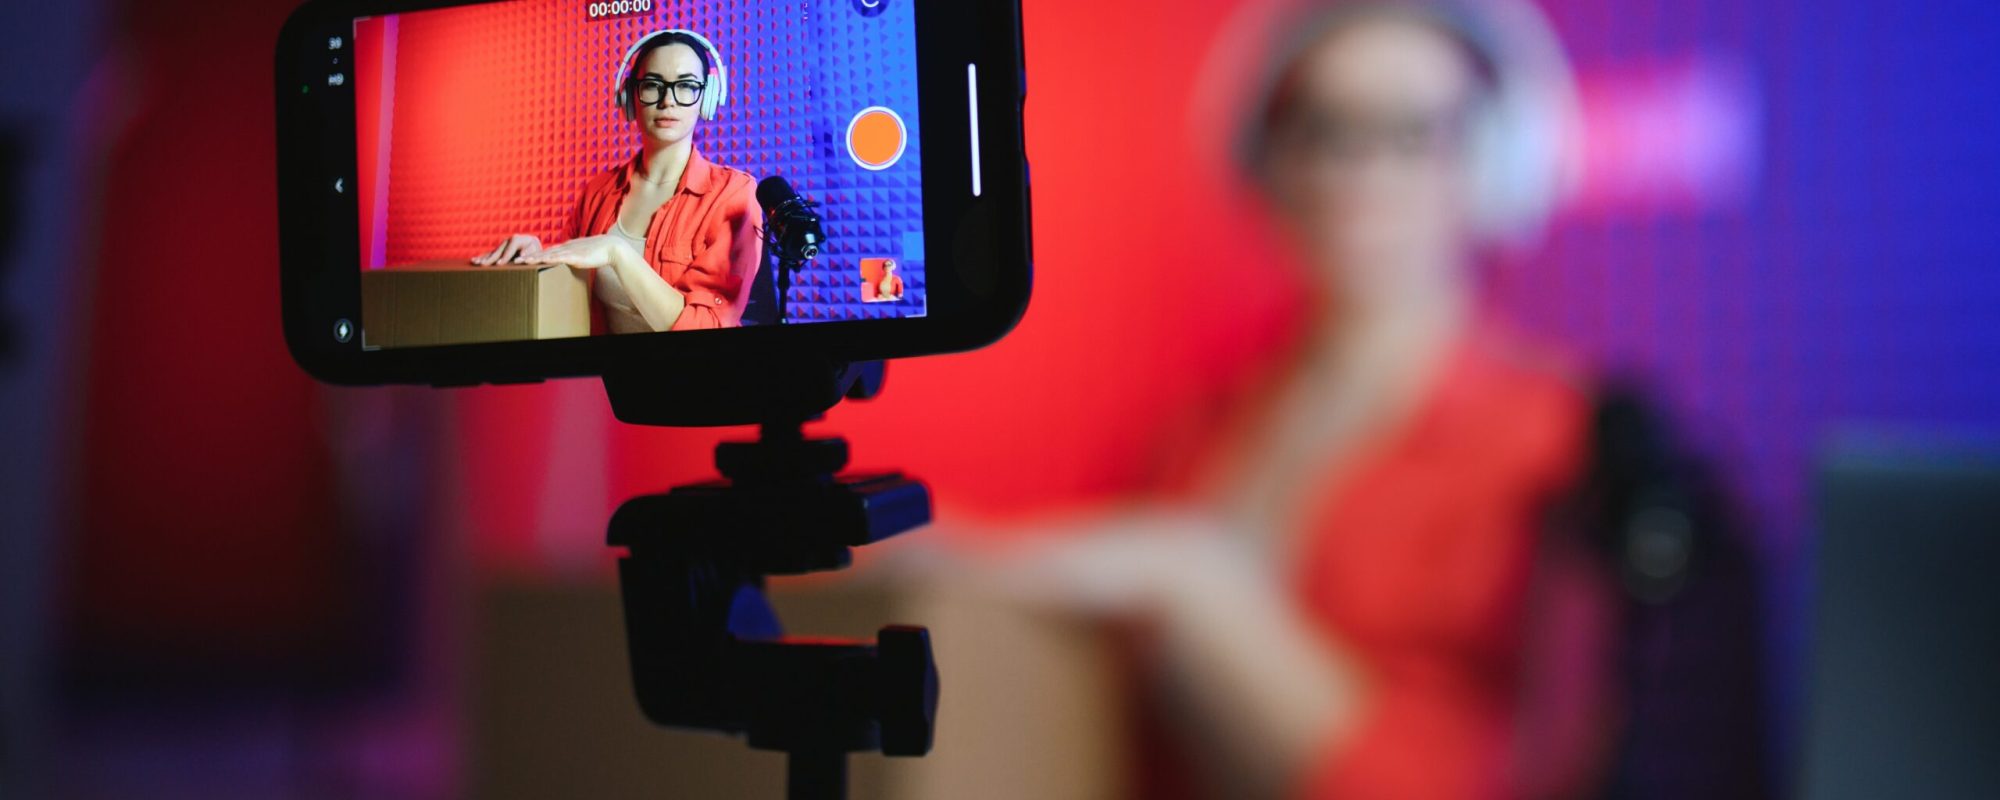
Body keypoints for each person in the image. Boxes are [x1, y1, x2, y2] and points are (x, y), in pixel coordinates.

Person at [948, 2, 1618, 798]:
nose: (1361, 171)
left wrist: (1193, 584)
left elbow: (1539, 765)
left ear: (1494, 160)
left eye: (1413, 133)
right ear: (1268, 157)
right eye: (1325, 130)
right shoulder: (1197, 427)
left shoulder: (1559, 438)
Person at [472, 29, 763, 332]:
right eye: (652, 85)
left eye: (686, 86)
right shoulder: (599, 192)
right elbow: (571, 284)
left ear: (708, 97)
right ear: (628, 97)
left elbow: (707, 326)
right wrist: (538, 256)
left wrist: (618, 253)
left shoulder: (733, 195)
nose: (668, 100)